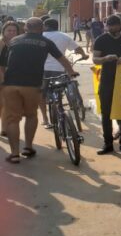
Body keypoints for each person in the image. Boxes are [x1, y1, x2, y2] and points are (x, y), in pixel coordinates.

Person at [1, 18, 78, 163]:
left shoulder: (14, 41)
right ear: (42, 28)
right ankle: (28, 148)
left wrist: (3, 81)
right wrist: (71, 72)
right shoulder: (45, 42)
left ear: (25, 27)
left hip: (10, 85)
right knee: (31, 115)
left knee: (12, 119)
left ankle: (15, 154)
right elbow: (62, 59)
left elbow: (3, 64)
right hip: (32, 85)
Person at [92, 15, 121, 155]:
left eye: (115, 25)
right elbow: (95, 59)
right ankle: (108, 143)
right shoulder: (101, 39)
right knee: (106, 113)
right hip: (107, 80)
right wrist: (105, 58)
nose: (112, 28)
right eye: (109, 26)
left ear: (120, 25)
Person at [39, 18, 88, 128]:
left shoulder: (40, 36)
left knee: (41, 94)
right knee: (60, 91)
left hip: (43, 70)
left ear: (45, 26)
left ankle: (45, 119)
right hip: (60, 69)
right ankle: (61, 110)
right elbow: (78, 48)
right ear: (57, 26)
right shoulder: (64, 36)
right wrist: (84, 55)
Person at [0, 20, 22, 138]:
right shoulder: (1, 43)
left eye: (14, 30)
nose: (12, 33)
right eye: (9, 30)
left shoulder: (18, 43)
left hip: (12, 78)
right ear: (4, 31)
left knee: (7, 105)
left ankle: (4, 129)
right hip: (2, 77)